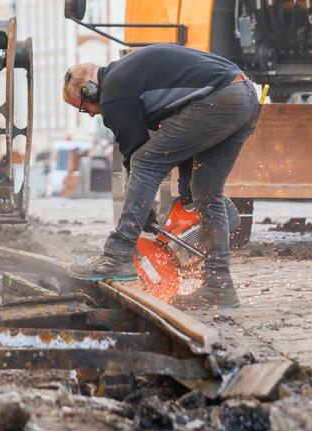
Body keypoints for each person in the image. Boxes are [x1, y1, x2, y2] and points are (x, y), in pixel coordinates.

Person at [62, 44, 261, 310]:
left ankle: (117, 253)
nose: (89, 114)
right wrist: (185, 191)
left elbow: (136, 157)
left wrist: (143, 215)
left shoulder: (114, 93)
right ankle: (219, 287)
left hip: (221, 99)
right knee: (205, 188)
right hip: (242, 96)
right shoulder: (129, 77)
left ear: (90, 90)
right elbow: (185, 141)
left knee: (145, 161)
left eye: (83, 107)